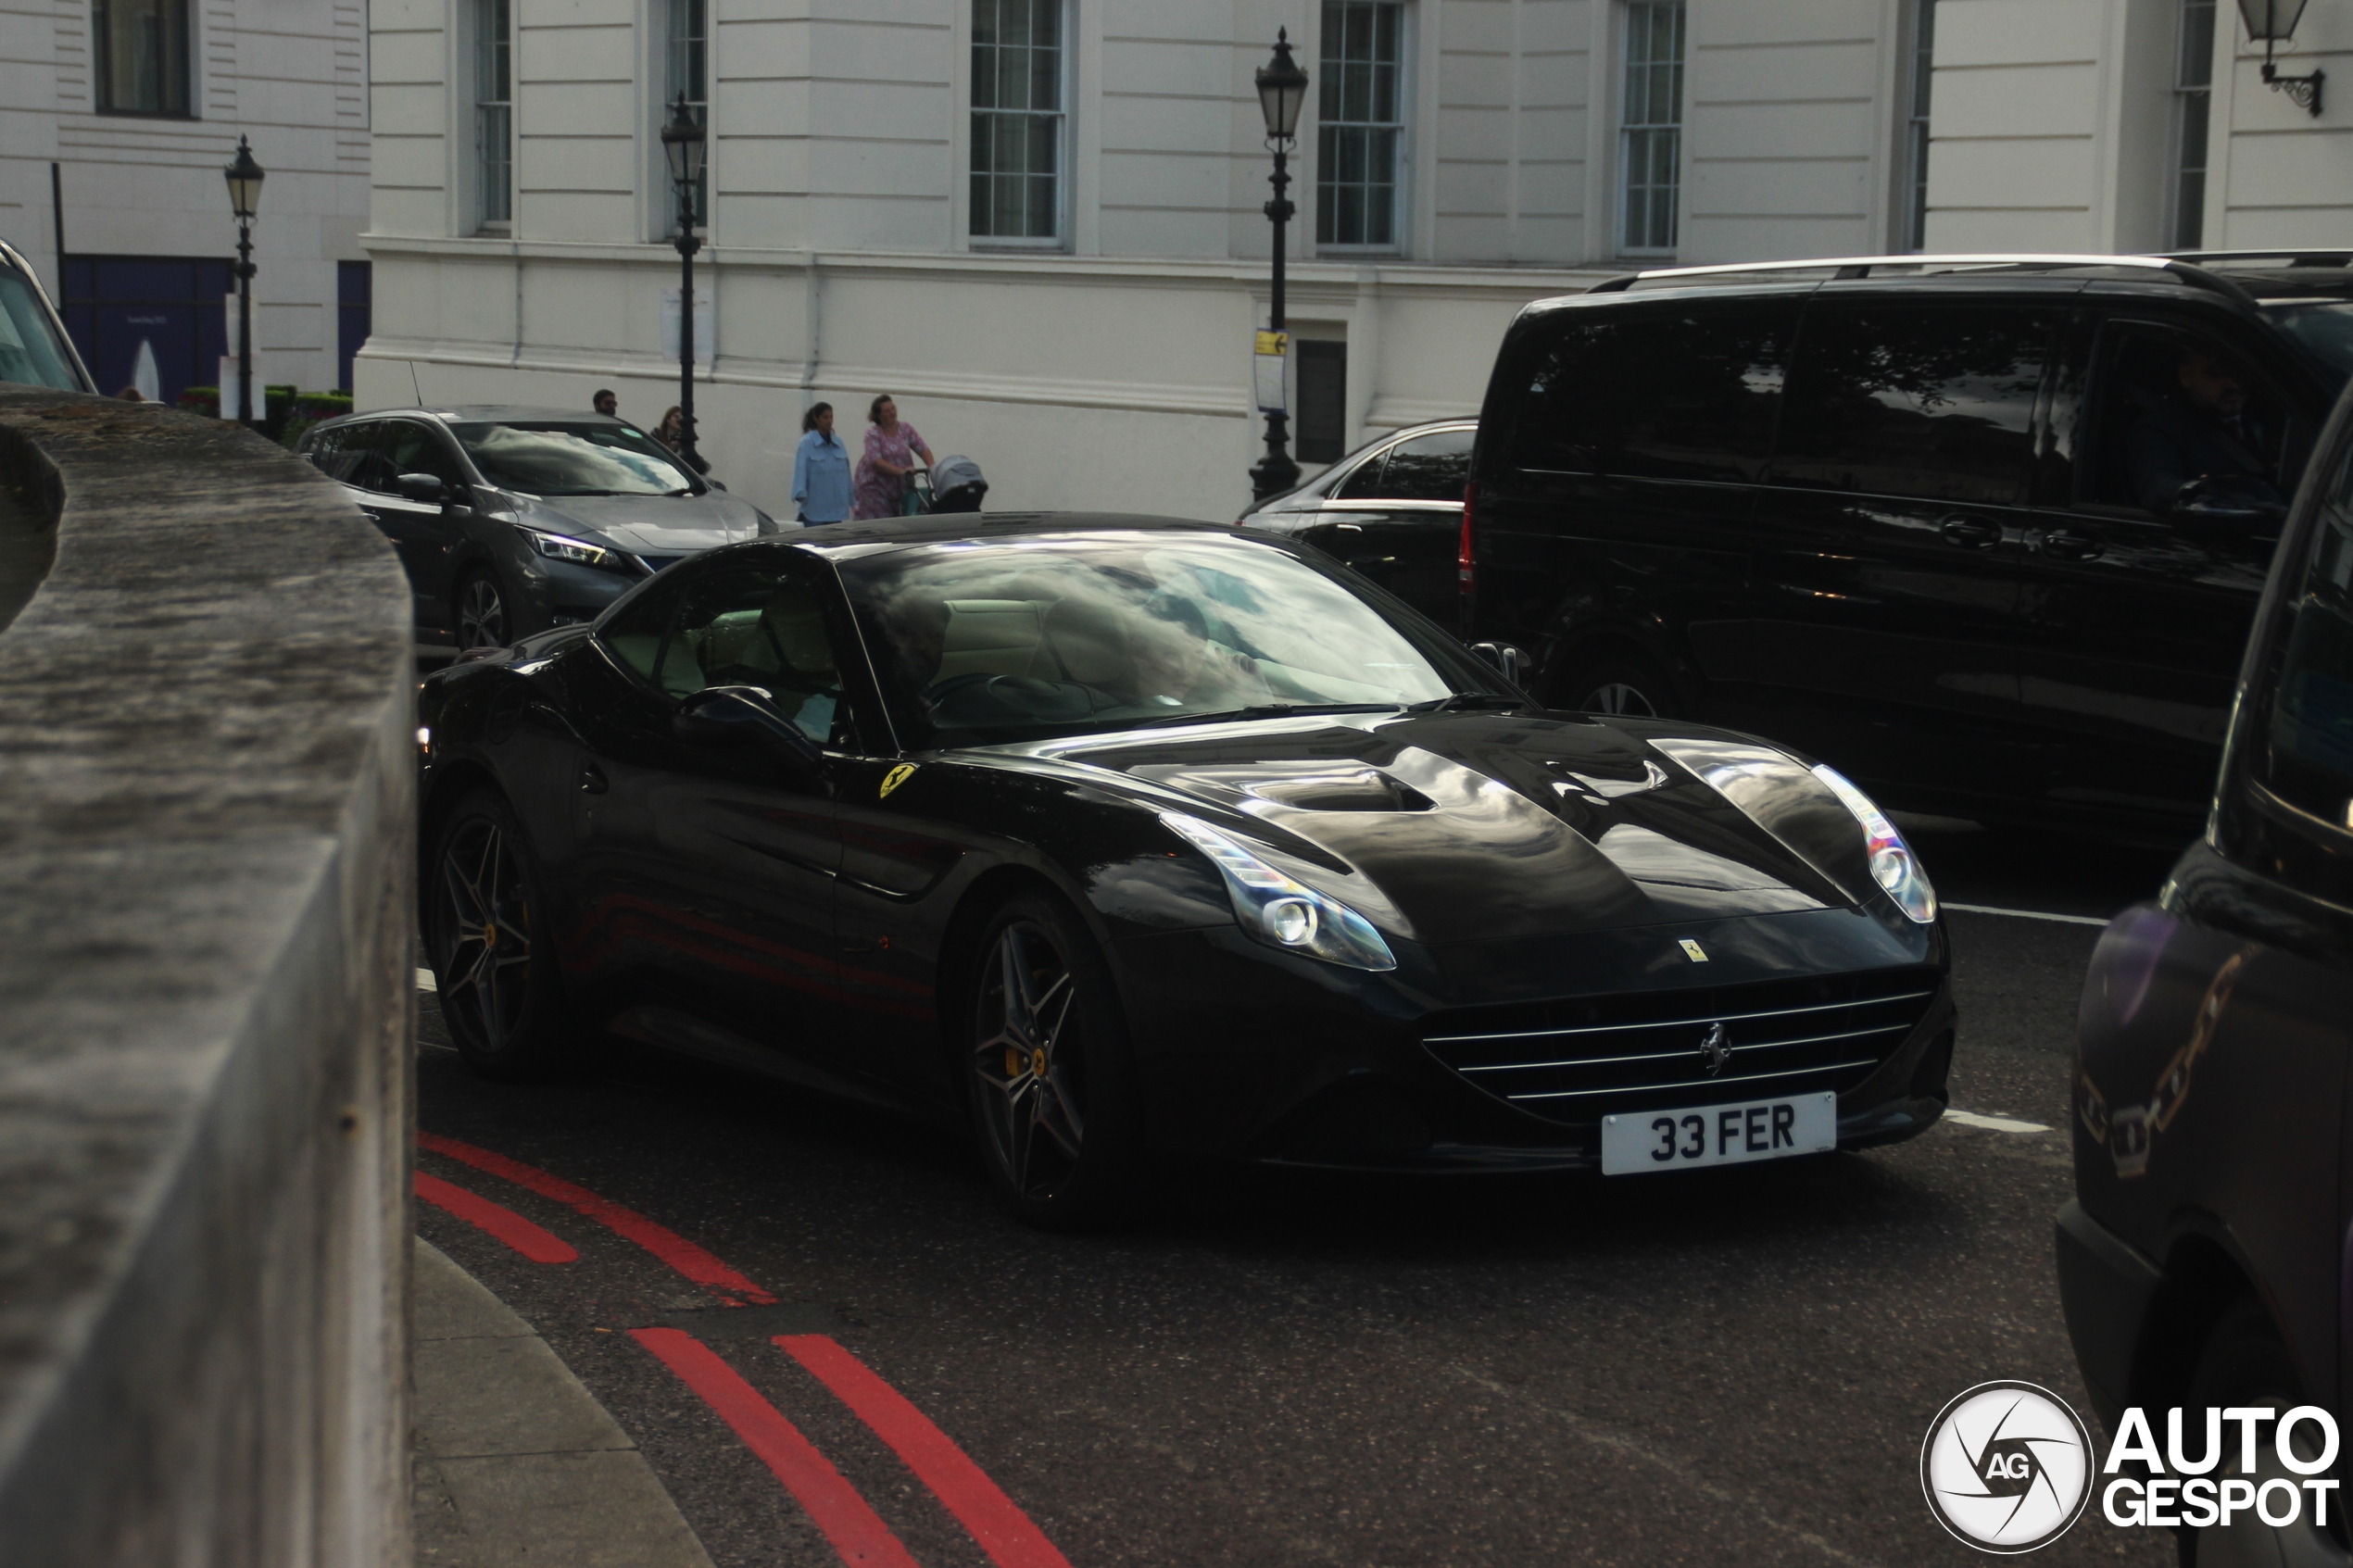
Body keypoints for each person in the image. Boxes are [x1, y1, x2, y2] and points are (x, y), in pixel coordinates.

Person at [2125, 347, 2284, 514]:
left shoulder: (2274, 417)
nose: (2232, 383)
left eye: (2239, 372)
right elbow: (2157, 488)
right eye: (2216, 374)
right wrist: (2202, 491)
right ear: (2186, 376)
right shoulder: (2160, 429)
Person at [851, 395, 935, 520]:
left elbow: (922, 448)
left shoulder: (905, 429)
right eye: (887, 410)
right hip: (876, 488)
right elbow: (876, 461)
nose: (892, 413)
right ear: (879, 415)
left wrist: (932, 467)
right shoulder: (872, 434)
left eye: (893, 408)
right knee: (883, 524)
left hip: (900, 488)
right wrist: (901, 471)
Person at [790, 401, 851, 524]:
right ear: (816, 419)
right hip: (815, 509)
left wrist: (850, 495)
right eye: (825, 417)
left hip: (835, 509)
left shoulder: (838, 443)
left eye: (831, 417)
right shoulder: (806, 443)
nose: (829, 421)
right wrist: (800, 493)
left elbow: (846, 473)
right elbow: (800, 470)